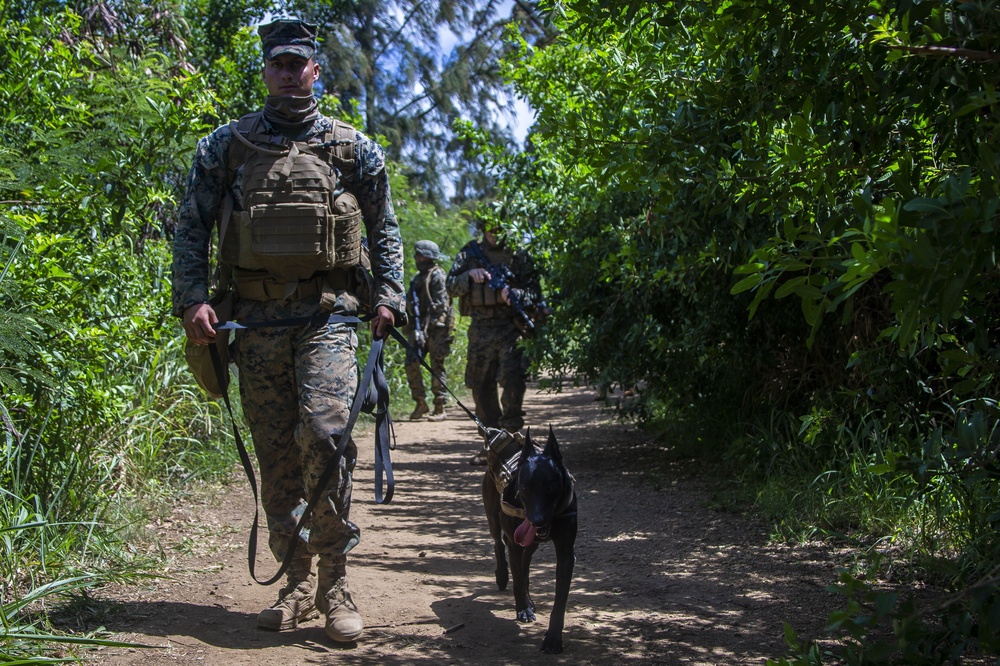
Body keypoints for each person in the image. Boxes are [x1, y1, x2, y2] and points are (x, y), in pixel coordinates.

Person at [171, 19, 405, 643]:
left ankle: (335, 583)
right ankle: (295, 581)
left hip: (327, 316)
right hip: (254, 319)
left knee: (325, 437)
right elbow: (191, 226)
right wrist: (192, 299)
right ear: (266, 70)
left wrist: (389, 295)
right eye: (276, 63)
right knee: (276, 452)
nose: (286, 72)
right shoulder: (227, 146)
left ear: (315, 71)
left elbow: (384, 229)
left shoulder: (353, 148)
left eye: (296, 63)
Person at [446, 210, 542, 464]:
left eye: (499, 228)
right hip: (480, 330)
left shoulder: (519, 255)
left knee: (513, 382)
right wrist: (469, 276)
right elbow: (450, 286)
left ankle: (513, 439)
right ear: (482, 227)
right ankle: (492, 444)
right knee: (481, 386)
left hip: (511, 328)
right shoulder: (469, 253)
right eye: (489, 227)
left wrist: (516, 294)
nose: (493, 232)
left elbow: (536, 293)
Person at [404, 240, 455, 421]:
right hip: (419, 327)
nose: (417, 258)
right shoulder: (417, 278)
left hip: (436, 329)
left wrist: (427, 328)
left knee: (436, 365)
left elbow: (441, 305)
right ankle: (420, 403)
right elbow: (410, 303)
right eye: (417, 254)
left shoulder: (437, 275)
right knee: (411, 362)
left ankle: (440, 406)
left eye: (421, 254)